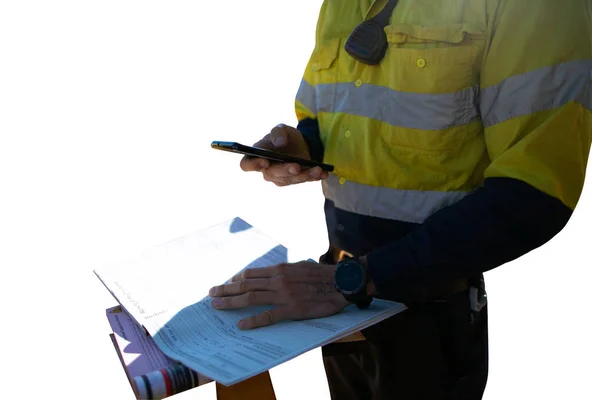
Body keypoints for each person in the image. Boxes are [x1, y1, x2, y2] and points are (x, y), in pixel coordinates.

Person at [208, 1, 592, 398]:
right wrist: (306, 146)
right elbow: (343, 114)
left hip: (426, 311)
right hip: (335, 300)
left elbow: (534, 193)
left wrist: (357, 279)